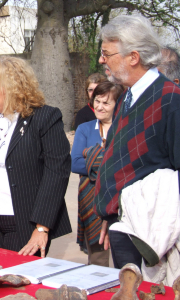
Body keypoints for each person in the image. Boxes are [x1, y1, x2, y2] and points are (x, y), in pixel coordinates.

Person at [0, 57, 72, 258]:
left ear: (12, 89)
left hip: (26, 224)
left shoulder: (44, 118)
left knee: (21, 283)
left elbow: (56, 174)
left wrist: (42, 228)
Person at [94, 15, 180, 269]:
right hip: (123, 224)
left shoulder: (170, 100)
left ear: (133, 57)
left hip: (151, 231)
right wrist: (109, 212)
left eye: (107, 53)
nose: (101, 60)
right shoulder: (126, 97)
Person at [72, 82, 124, 267]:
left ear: (117, 105)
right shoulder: (85, 129)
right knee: (97, 259)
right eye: (97, 101)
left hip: (122, 201)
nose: (99, 106)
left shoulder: (124, 129)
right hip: (93, 203)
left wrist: (93, 155)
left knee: (124, 255)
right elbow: (76, 163)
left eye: (106, 103)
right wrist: (109, 160)